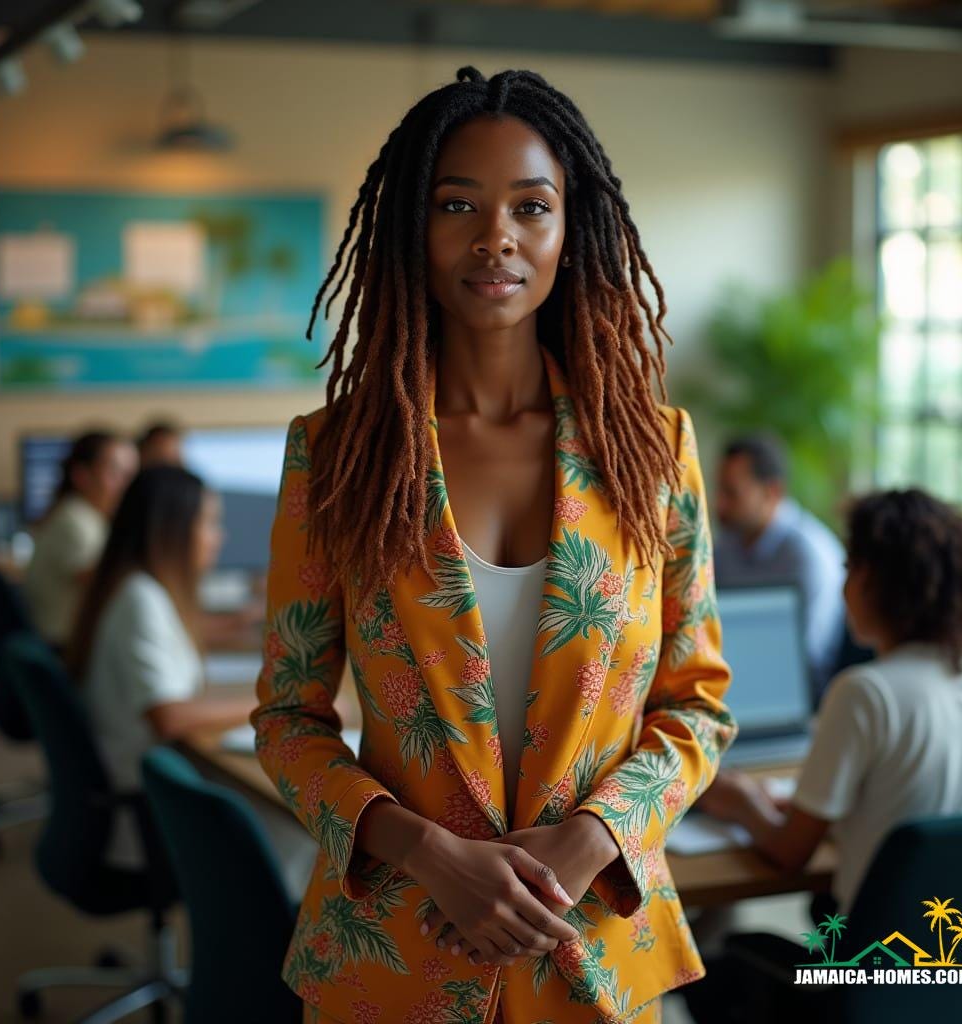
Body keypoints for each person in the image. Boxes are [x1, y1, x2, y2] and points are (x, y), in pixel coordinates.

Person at [251, 66, 738, 1024]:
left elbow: (699, 706)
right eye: (457, 204)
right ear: (412, 230)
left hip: (595, 949)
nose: (496, 237)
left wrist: (591, 838)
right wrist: (429, 854)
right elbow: (288, 720)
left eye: (531, 206)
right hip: (396, 956)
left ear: (571, 229)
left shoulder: (651, 449)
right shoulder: (337, 456)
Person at [687, 487, 962, 1022]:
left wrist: (741, 800)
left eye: (848, 567)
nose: (842, 586)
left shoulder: (867, 692)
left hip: (873, 972)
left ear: (877, 580)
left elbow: (791, 853)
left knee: (718, 966)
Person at [66, 465, 254, 868]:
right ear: (174, 529)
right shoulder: (140, 599)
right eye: (209, 523)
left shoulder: (137, 587)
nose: (218, 537)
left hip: (159, 788)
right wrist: (278, 700)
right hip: (152, 810)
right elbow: (167, 716)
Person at [713, 433, 847, 703]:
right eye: (719, 491)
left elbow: (806, 657)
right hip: (730, 691)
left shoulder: (809, 556)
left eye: (732, 493)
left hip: (798, 702)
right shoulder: (726, 546)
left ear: (772, 492)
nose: (719, 505)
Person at [22, 430, 138, 650]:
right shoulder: (74, 521)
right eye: (116, 473)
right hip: (65, 649)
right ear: (82, 476)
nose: (126, 486)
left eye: (131, 475)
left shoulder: (88, 518)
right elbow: (111, 585)